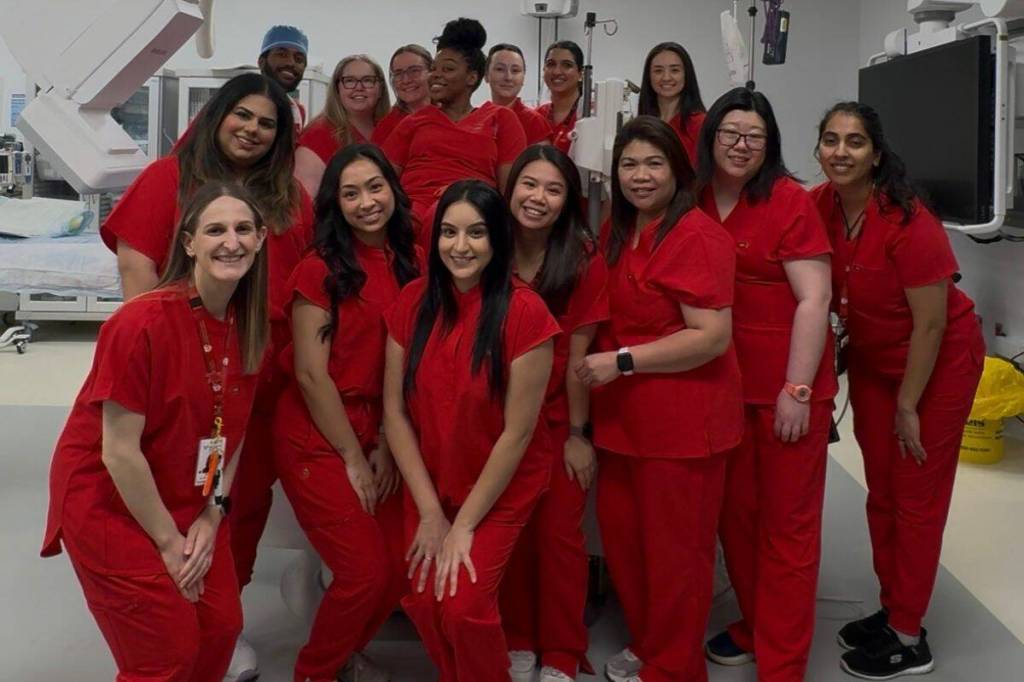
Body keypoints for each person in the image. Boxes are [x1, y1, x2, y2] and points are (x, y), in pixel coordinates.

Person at [100, 72, 314, 681]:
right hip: (178, 367)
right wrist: (164, 350)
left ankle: (223, 614)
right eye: (242, 115)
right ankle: (169, 610)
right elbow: (136, 264)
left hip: (253, 369)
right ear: (217, 115)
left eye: (267, 123)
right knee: (170, 487)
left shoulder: (288, 197)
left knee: (235, 499)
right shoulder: (169, 178)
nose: (252, 129)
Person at [42, 182, 269, 682]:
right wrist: (170, 544)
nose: (231, 241)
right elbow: (119, 453)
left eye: (242, 228)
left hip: (188, 493)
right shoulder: (140, 323)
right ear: (189, 243)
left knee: (220, 630)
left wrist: (213, 512)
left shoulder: (247, 327)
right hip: (109, 497)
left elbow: (231, 432)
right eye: (215, 229)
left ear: (261, 239)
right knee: (166, 654)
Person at [812, 102, 985, 681]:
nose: (841, 152)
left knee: (915, 499)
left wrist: (909, 405)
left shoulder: (909, 222)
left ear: (876, 156)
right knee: (880, 490)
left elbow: (932, 325)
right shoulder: (823, 206)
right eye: (831, 140)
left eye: (855, 142)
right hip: (873, 361)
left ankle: (910, 637)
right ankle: (892, 609)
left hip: (935, 364)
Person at [577, 116, 743, 682]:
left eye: (654, 164)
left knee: (676, 559)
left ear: (678, 169)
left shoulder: (697, 236)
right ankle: (651, 645)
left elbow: (710, 337)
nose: (640, 176)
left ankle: (675, 666)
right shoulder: (623, 232)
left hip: (682, 427)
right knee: (627, 548)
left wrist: (623, 362)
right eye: (628, 165)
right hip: (625, 422)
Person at [383, 179, 560, 681]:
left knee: (462, 606)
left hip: (498, 486)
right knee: (422, 598)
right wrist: (431, 513)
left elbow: (517, 435)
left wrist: (462, 526)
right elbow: (394, 412)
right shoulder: (414, 301)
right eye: (449, 233)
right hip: (431, 481)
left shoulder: (526, 313)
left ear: (498, 239)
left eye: (477, 233)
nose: (460, 247)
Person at [695, 87, 836, 682]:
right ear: (711, 139)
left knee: (786, 531)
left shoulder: (787, 201)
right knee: (738, 521)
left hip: (785, 392)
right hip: (721, 389)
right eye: (730, 133)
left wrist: (797, 390)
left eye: (754, 135)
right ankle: (757, 626)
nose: (741, 145)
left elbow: (815, 298)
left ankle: (782, 664)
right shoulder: (695, 198)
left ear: (770, 144)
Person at [273, 144, 420, 682]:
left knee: (401, 567)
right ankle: (315, 671)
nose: (366, 203)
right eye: (350, 193)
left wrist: (384, 441)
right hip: (319, 431)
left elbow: (404, 366)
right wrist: (355, 457)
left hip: (382, 425)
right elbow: (312, 376)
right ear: (334, 203)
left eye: (375, 187)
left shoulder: (414, 261)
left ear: (393, 190)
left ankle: (343, 656)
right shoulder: (319, 270)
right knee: (363, 571)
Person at [499, 145, 608, 682]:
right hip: (496, 425)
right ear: (511, 187)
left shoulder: (582, 261)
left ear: (569, 201)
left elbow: (581, 356)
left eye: (553, 189)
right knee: (510, 533)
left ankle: (563, 652)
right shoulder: (487, 247)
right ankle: (516, 639)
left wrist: (579, 434)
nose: (537, 198)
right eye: (529, 185)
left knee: (560, 539)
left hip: (558, 420)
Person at [381, 18, 528, 247]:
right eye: (434, 69)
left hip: (473, 212)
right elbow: (384, 179)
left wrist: (460, 194)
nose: (435, 75)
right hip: (411, 216)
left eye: (448, 69)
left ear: (472, 77)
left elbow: (511, 190)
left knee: (446, 217)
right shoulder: (413, 122)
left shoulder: (501, 119)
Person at [295, 55, 391, 196]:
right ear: (337, 89)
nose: (359, 87)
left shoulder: (393, 128)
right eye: (350, 81)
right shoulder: (317, 134)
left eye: (368, 80)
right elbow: (305, 202)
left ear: (380, 88)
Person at [637, 42, 706, 165]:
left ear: (686, 75)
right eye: (658, 71)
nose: (666, 77)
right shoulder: (641, 125)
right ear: (649, 77)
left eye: (675, 70)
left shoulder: (701, 124)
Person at [486, 43, 553, 145]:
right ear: (486, 76)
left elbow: (541, 160)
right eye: (500, 69)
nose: (508, 77)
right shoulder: (478, 118)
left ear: (523, 78)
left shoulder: (534, 122)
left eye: (515, 70)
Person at [372, 44, 434, 146]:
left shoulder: (452, 114)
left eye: (414, 71)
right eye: (398, 73)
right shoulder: (386, 126)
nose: (406, 80)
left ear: (432, 72)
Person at [258, 25, 310, 135]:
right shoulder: (240, 102)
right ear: (262, 62)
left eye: (299, 59)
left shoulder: (298, 111)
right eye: (282, 55)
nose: (291, 63)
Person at [537, 41, 583, 154]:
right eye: (551, 64)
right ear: (543, 70)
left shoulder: (589, 115)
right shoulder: (537, 116)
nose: (557, 71)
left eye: (567, 65)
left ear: (581, 74)